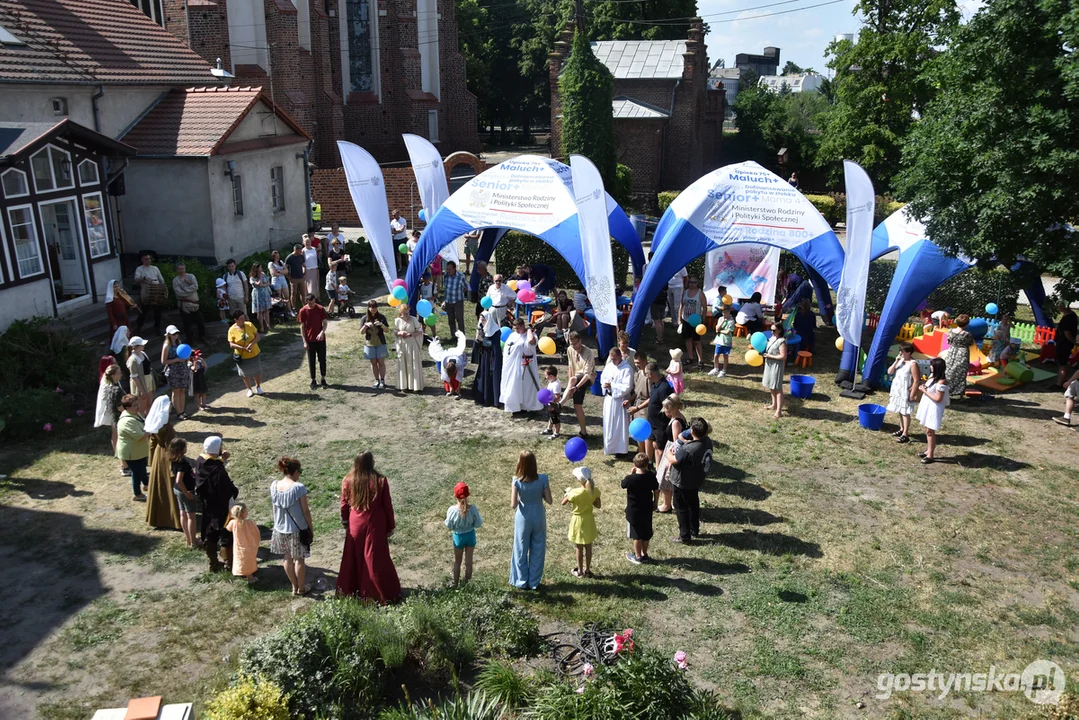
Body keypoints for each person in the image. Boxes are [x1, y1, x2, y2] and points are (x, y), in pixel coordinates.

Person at [337, 452, 402, 603]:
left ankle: (351, 591)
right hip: (374, 523)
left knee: (353, 557)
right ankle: (376, 594)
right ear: (370, 462)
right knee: (374, 558)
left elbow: (344, 504)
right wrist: (390, 525)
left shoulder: (348, 480)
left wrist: (346, 522)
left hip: (355, 523)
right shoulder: (380, 481)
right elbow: (387, 505)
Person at [666, 417, 713, 544]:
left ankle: (684, 536)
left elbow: (674, 460)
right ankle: (694, 529)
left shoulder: (689, 449)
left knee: (681, 507)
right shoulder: (707, 441)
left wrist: (668, 454)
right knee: (693, 504)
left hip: (682, 482)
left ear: (692, 430)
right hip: (696, 480)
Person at [271, 457, 314, 596]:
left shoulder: (274, 485)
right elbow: (306, 512)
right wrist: (310, 528)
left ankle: (294, 587)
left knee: (287, 558)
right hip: (296, 529)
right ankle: (302, 588)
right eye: (299, 471)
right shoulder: (298, 488)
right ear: (295, 471)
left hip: (279, 528)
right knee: (299, 559)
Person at [509, 450, 552, 590]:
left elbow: (513, 504)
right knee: (538, 548)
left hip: (523, 516)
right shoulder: (543, 479)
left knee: (521, 548)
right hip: (538, 514)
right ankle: (534, 581)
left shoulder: (516, 481)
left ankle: (521, 581)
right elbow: (549, 500)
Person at [195, 435, 239, 572]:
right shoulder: (218, 471)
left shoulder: (200, 461)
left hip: (208, 506)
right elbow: (226, 490)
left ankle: (213, 563)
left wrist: (221, 460)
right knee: (226, 535)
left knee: (210, 534)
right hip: (221, 508)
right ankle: (229, 564)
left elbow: (211, 466)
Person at [562, 466, 600, 578]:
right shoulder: (595, 491)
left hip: (578, 520)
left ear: (579, 480)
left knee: (579, 546)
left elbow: (563, 502)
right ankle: (588, 570)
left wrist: (567, 493)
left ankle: (579, 570)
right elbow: (598, 505)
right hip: (589, 520)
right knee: (588, 546)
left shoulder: (574, 493)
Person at [622, 452, 659, 564]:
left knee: (636, 534)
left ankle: (637, 556)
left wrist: (631, 473)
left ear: (635, 464)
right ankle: (644, 553)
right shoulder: (651, 476)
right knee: (646, 532)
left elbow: (623, 485)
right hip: (647, 508)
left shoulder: (630, 479)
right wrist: (655, 503)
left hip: (633, 511)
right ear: (647, 465)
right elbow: (656, 490)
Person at [500, 317, 543, 413]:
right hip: (513, 365)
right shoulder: (512, 336)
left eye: (518, 328)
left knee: (527, 387)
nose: (516, 330)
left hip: (527, 364)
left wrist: (529, 331)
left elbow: (531, 341)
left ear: (523, 326)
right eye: (515, 328)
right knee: (515, 386)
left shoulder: (531, 334)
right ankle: (516, 406)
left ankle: (529, 407)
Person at [445, 482, 483, 586]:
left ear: (454, 495)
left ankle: (456, 583)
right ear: (468, 495)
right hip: (470, 536)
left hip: (458, 537)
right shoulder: (473, 509)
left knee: (457, 561)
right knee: (469, 561)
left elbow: (449, 525)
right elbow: (478, 523)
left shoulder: (452, 510)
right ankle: (467, 583)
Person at [94, 362, 127, 476]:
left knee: (116, 437)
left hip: (114, 417)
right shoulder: (114, 389)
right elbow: (118, 406)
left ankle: (123, 462)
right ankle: (125, 465)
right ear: (112, 375)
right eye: (118, 373)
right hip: (118, 418)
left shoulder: (110, 386)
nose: (121, 375)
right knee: (121, 440)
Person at [116, 394, 150, 501]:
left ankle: (147, 484)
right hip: (131, 453)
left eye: (137, 404)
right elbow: (139, 436)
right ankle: (137, 494)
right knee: (137, 473)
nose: (138, 407)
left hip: (139, 451)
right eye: (135, 405)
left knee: (143, 468)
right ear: (127, 407)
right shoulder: (127, 421)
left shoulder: (135, 414)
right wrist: (152, 430)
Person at [916, 357, 949, 464]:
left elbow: (938, 399)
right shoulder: (932, 377)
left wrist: (924, 391)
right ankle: (928, 451)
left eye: (932, 365)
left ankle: (931, 455)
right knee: (927, 429)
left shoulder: (942, 381)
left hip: (934, 408)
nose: (930, 367)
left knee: (930, 431)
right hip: (928, 405)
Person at [600, 347, 633, 456]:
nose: (613, 361)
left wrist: (612, 385)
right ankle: (610, 448)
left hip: (620, 401)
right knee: (609, 424)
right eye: (611, 359)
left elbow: (627, 387)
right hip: (609, 400)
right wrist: (605, 384)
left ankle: (621, 449)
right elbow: (603, 377)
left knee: (619, 425)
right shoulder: (609, 366)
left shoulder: (627, 369)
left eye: (615, 359)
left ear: (620, 356)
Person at [656, 394, 686, 513]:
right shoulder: (677, 417)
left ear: (673, 408)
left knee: (665, 479)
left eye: (667, 408)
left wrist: (670, 460)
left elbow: (676, 442)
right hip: (669, 449)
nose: (665, 411)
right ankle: (672, 503)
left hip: (671, 451)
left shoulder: (676, 422)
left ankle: (666, 504)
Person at [562, 331, 595, 436]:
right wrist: (570, 384)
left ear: (580, 341)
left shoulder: (588, 352)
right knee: (577, 405)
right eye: (571, 344)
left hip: (587, 378)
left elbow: (587, 375)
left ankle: (561, 404)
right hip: (575, 379)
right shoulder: (570, 350)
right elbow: (570, 367)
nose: (574, 346)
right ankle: (583, 431)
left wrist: (575, 387)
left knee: (573, 380)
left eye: (575, 344)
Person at [169, 437, 199, 548]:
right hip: (184, 490)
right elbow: (179, 480)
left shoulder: (173, 459)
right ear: (182, 449)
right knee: (191, 516)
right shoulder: (183, 463)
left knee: (183, 514)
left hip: (176, 489)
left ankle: (188, 538)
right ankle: (194, 542)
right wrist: (187, 493)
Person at [887, 343, 919, 444]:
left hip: (905, 390)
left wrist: (912, 393)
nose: (900, 353)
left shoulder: (913, 364)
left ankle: (905, 433)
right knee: (900, 410)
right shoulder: (900, 361)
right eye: (900, 351)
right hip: (897, 389)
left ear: (909, 353)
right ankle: (901, 428)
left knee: (905, 412)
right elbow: (890, 372)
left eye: (903, 351)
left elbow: (916, 380)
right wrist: (896, 361)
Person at [472, 307, 504, 407]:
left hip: (492, 357)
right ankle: (482, 398)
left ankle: (493, 399)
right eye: (481, 320)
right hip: (484, 356)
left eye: (484, 319)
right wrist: (478, 340)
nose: (482, 321)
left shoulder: (495, 331)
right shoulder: (481, 328)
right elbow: (478, 342)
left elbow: (495, 345)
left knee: (492, 377)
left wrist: (483, 341)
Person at [645, 362, 674, 468]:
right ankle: (648, 464)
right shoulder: (655, 384)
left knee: (659, 448)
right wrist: (638, 408)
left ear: (650, 374)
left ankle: (659, 471)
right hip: (652, 423)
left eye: (646, 374)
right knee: (649, 440)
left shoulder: (664, 388)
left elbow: (669, 407)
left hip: (660, 425)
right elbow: (651, 399)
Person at [228, 311, 264, 397]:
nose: (243, 320)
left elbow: (258, 336)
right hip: (242, 356)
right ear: (235, 320)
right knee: (244, 373)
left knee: (257, 371)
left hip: (254, 352)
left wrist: (251, 344)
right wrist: (243, 348)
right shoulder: (231, 330)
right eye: (241, 318)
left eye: (244, 317)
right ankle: (249, 389)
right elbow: (231, 344)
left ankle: (258, 387)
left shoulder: (249, 325)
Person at [298, 294, 329, 390]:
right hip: (310, 340)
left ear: (315, 301)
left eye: (313, 303)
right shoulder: (303, 311)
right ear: (306, 302)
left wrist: (322, 333)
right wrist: (304, 341)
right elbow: (302, 327)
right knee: (311, 361)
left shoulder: (320, 309)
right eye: (309, 303)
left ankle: (323, 378)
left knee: (322, 359)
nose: (311, 305)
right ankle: (313, 379)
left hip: (320, 340)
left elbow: (325, 323)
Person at [160, 325, 190, 420]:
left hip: (182, 369)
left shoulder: (179, 343)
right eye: (173, 334)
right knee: (176, 391)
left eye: (176, 333)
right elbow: (163, 361)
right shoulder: (166, 346)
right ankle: (179, 412)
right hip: (173, 371)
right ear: (168, 334)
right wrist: (176, 359)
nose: (175, 335)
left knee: (182, 390)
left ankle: (183, 410)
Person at [133, 252, 167, 334]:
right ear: (142, 260)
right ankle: (138, 327)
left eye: (149, 259)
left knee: (158, 312)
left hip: (157, 290)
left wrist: (163, 289)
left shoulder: (155, 268)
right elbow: (136, 279)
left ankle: (157, 328)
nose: (148, 260)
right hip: (147, 291)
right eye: (146, 259)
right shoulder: (139, 269)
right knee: (143, 311)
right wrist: (143, 279)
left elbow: (161, 279)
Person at [171, 263, 205, 344]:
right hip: (184, 306)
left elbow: (195, 286)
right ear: (177, 270)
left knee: (201, 323)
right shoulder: (175, 280)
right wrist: (189, 290)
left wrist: (185, 290)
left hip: (195, 304)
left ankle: (202, 338)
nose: (182, 270)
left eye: (183, 268)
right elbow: (178, 293)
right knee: (187, 325)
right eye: (180, 269)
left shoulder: (191, 276)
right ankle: (190, 341)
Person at [394, 304, 425, 392]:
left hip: (412, 345)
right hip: (402, 345)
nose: (406, 315)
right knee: (403, 365)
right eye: (404, 314)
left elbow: (420, 332)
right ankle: (404, 386)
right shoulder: (397, 321)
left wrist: (410, 334)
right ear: (401, 313)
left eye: (407, 313)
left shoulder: (414, 319)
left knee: (414, 364)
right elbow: (395, 331)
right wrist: (399, 333)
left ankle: (415, 386)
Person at [943, 314, 974, 400]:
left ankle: (947, 390)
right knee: (961, 372)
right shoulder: (967, 334)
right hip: (962, 353)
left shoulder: (950, 331)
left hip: (952, 352)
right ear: (966, 324)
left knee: (949, 370)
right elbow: (971, 343)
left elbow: (948, 341)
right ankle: (960, 394)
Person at [226, 503, 260, 584]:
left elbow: (228, 529)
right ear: (243, 513)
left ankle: (245, 573)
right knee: (249, 560)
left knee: (241, 560)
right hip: (250, 545)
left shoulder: (233, 523)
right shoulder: (250, 522)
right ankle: (250, 577)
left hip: (239, 546)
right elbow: (256, 532)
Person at [762, 322, 788, 420]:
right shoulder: (772, 339)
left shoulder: (782, 341)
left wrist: (770, 356)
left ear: (779, 330)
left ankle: (779, 411)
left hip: (776, 366)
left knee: (777, 388)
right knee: (771, 386)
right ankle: (774, 405)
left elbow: (783, 356)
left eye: (774, 330)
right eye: (771, 329)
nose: (772, 332)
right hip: (769, 364)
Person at [361, 300, 390, 389]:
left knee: (381, 362)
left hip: (380, 343)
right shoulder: (364, 318)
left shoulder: (382, 317)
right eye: (371, 307)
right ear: (368, 308)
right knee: (373, 363)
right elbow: (361, 332)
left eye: (375, 307)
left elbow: (387, 330)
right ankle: (376, 380)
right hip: (369, 344)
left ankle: (382, 380)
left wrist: (381, 325)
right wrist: (365, 326)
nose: (373, 309)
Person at [679, 277, 706, 368]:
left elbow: (705, 307)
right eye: (690, 282)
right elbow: (681, 305)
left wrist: (703, 319)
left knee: (697, 341)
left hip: (696, 321)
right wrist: (679, 319)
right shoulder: (685, 292)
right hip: (686, 319)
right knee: (688, 339)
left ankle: (700, 360)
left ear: (697, 283)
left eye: (693, 282)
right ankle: (690, 358)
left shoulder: (700, 294)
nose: (691, 284)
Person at [430, 331, 467, 397]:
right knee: (448, 383)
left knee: (456, 380)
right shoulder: (444, 360)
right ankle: (450, 388)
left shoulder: (459, 363)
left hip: (457, 355)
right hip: (449, 353)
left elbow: (460, 375)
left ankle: (457, 389)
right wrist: (450, 386)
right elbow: (444, 375)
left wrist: (459, 387)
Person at [125, 336, 155, 416]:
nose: (143, 345)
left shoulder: (143, 354)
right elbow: (134, 377)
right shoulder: (132, 359)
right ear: (136, 346)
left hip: (148, 381)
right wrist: (142, 391)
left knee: (149, 404)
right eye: (141, 344)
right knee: (142, 408)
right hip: (140, 384)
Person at [441, 260, 468, 337]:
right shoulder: (446, 275)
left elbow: (466, 287)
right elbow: (446, 288)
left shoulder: (461, 276)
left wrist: (462, 293)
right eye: (447, 269)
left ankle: (462, 336)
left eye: (449, 269)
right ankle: (453, 336)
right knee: (451, 320)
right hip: (449, 301)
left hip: (458, 301)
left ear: (454, 269)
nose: (447, 271)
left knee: (460, 319)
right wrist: (445, 300)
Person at [1055, 303, 1078, 388]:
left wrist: (1074, 342)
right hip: (1066, 343)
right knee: (1064, 362)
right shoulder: (1072, 315)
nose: (1057, 307)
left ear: (1064, 306)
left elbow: (1067, 333)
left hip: (1063, 343)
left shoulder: (1067, 319)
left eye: (1059, 305)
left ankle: (1059, 384)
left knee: (1062, 363)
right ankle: (1064, 379)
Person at [710, 305, 735, 377]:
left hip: (726, 341)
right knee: (716, 355)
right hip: (719, 340)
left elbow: (727, 332)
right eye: (723, 312)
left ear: (729, 311)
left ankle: (723, 370)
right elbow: (716, 329)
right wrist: (723, 321)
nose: (724, 314)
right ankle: (716, 368)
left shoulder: (731, 321)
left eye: (726, 312)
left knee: (725, 356)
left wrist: (720, 330)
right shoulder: (720, 319)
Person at [250, 263, 272, 331]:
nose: (261, 269)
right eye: (260, 268)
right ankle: (261, 326)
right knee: (259, 311)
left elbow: (268, 283)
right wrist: (260, 277)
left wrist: (263, 285)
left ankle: (268, 325)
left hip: (265, 293)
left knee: (266, 310)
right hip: (257, 295)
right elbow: (258, 284)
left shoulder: (264, 274)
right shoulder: (252, 277)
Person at [285, 244, 307, 312]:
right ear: (296, 250)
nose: (301, 251)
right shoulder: (289, 258)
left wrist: (305, 273)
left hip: (301, 277)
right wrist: (289, 277)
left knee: (303, 293)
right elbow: (285, 268)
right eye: (300, 250)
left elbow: (304, 265)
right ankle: (294, 307)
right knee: (294, 293)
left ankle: (305, 305)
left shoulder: (301, 256)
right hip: (293, 278)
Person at [543, 366, 563, 439]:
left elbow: (557, 396)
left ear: (551, 376)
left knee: (555, 419)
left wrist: (553, 406)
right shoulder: (551, 382)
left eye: (546, 375)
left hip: (554, 405)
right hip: (550, 403)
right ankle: (549, 429)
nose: (545, 377)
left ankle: (556, 433)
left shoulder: (556, 384)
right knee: (551, 417)